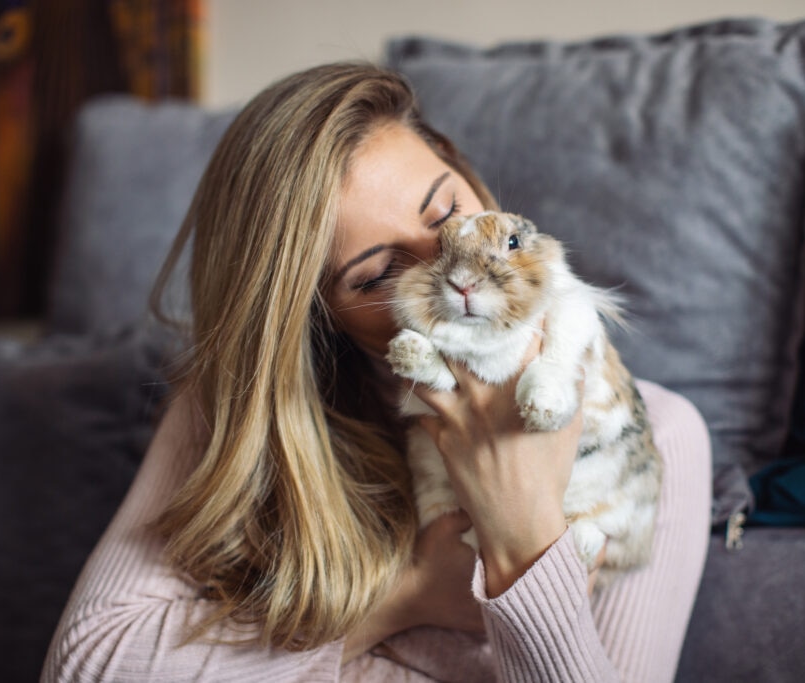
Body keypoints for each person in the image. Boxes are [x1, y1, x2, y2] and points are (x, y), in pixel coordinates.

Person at [42, 62, 711, 682]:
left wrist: (524, 539)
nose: (457, 272)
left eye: (448, 213)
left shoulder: (657, 440)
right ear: (317, 317)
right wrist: (410, 594)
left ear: (466, 172)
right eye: (378, 271)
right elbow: (86, 665)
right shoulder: (234, 412)